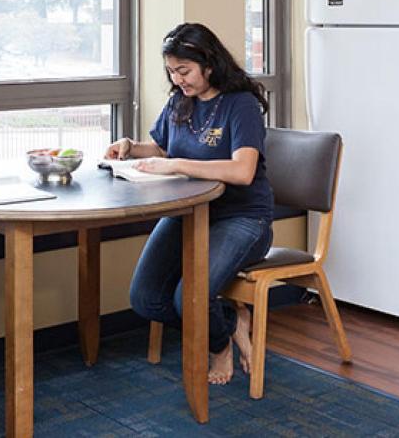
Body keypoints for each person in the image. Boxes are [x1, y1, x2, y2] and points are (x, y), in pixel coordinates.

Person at [107, 23, 274, 385]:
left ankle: (219, 347)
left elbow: (243, 171)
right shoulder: (179, 101)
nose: (178, 79)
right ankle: (231, 322)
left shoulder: (240, 104)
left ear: (209, 65)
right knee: (145, 299)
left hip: (243, 218)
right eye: (171, 71)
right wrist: (130, 147)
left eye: (184, 71)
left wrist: (178, 165)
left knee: (190, 298)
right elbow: (164, 149)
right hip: (190, 211)